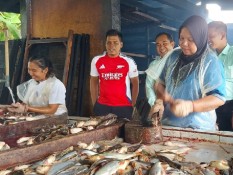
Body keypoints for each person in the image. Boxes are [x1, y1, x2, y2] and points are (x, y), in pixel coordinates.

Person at [150, 15, 226, 131]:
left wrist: (191, 106)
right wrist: (159, 101)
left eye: (191, 40)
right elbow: (160, 84)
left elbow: (218, 98)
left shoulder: (210, 61)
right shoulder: (173, 57)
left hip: (198, 129)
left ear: (200, 38)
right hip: (168, 126)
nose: (184, 43)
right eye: (181, 38)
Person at [90, 29, 139, 119]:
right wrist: (95, 103)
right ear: (105, 44)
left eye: (115, 43)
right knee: (101, 132)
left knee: (123, 132)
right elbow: (93, 82)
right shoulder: (96, 60)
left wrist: (133, 104)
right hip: (102, 106)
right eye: (109, 43)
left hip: (124, 106)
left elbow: (135, 83)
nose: (111, 46)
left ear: (121, 45)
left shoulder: (129, 61)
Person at [208, 21, 233, 131]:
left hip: (229, 106)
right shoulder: (207, 56)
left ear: (222, 35)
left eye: (211, 36)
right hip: (209, 105)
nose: (208, 40)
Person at [145, 32, 175, 106]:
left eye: (164, 43)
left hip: (177, 104)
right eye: (158, 45)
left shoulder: (179, 60)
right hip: (159, 104)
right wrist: (155, 104)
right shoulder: (153, 65)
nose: (161, 47)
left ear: (172, 44)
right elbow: (149, 87)